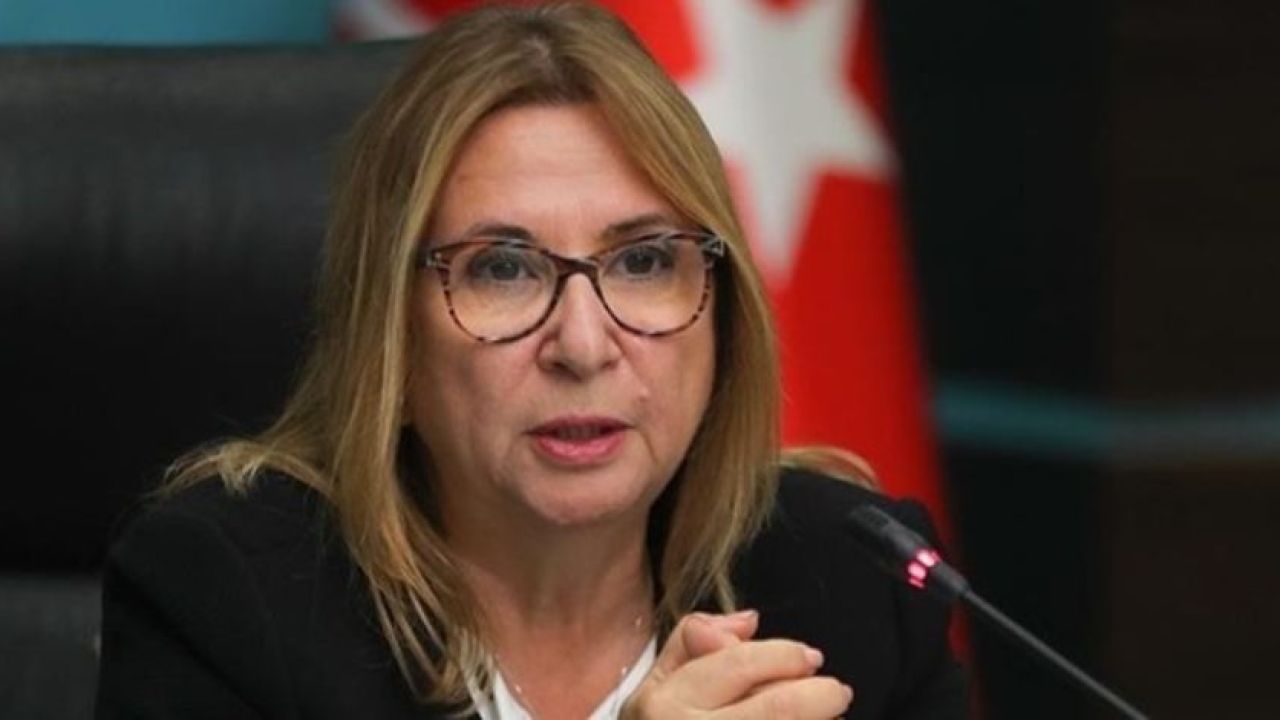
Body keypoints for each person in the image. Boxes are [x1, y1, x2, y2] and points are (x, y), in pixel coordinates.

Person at [95, 3, 966, 718]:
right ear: (388, 336)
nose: (583, 346)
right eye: (503, 270)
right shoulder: (227, 598)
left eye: (644, 261)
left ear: (723, 315)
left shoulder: (856, 584)